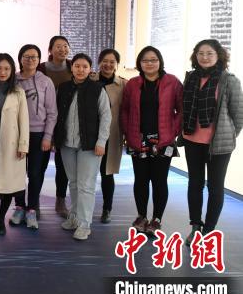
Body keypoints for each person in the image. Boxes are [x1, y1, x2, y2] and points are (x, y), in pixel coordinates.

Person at [181, 39, 242, 245]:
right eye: (200, 53)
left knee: (215, 187)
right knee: (195, 184)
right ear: (195, 56)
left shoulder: (229, 80)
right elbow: (184, 106)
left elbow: (238, 115)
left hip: (219, 145)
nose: (204, 57)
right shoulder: (191, 78)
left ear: (218, 56)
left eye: (209, 53)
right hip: (192, 140)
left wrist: (228, 135)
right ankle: (195, 227)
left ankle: (208, 231)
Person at [120, 46, 183, 236]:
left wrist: (173, 131)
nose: (149, 63)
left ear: (160, 61)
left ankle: (156, 219)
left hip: (163, 141)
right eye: (145, 60)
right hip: (137, 139)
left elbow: (182, 109)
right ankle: (141, 216)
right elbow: (125, 110)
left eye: (153, 59)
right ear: (139, 63)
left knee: (159, 181)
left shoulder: (172, 82)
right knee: (140, 180)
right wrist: (127, 133)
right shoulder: (133, 84)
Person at [54, 53, 111, 241]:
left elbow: (106, 116)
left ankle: (85, 224)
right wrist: (56, 138)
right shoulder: (63, 88)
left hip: (90, 145)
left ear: (90, 69)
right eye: (77, 66)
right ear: (72, 68)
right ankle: (74, 217)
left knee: (86, 185)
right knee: (73, 182)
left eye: (84, 66)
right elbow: (56, 114)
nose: (80, 70)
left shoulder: (97, 89)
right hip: (67, 144)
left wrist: (101, 141)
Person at [0, 54, 29, 236]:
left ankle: (1, 218)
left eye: (7, 69)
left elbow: (23, 120)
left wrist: (23, 145)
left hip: (11, 145)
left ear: (12, 71)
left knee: (9, 185)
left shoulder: (18, 92)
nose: (3, 72)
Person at [15, 44, 57, 229]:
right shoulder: (13, 80)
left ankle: (32, 209)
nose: (30, 60)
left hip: (39, 135)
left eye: (34, 57)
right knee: (17, 173)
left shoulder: (46, 81)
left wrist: (48, 136)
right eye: (26, 56)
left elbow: (52, 112)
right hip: (17, 135)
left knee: (34, 174)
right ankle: (19, 207)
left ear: (39, 60)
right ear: (20, 59)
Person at [89, 49, 126, 224]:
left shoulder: (123, 85)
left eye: (112, 62)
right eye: (105, 61)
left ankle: (107, 209)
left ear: (117, 64)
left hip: (112, 135)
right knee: (86, 174)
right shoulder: (90, 80)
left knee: (107, 174)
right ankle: (84, 209)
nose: (108, 65)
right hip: (89, 134)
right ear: (99, 62)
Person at [38, 35, 71, 218]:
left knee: (62, 165)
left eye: (65, 46)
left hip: (66, 123)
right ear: (50, 50)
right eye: (58, 46)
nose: (62, 49)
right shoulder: (41, 68)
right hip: (43, 122)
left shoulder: (74, 66)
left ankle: (60, 201)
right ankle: (34, 201)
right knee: (40, 165)